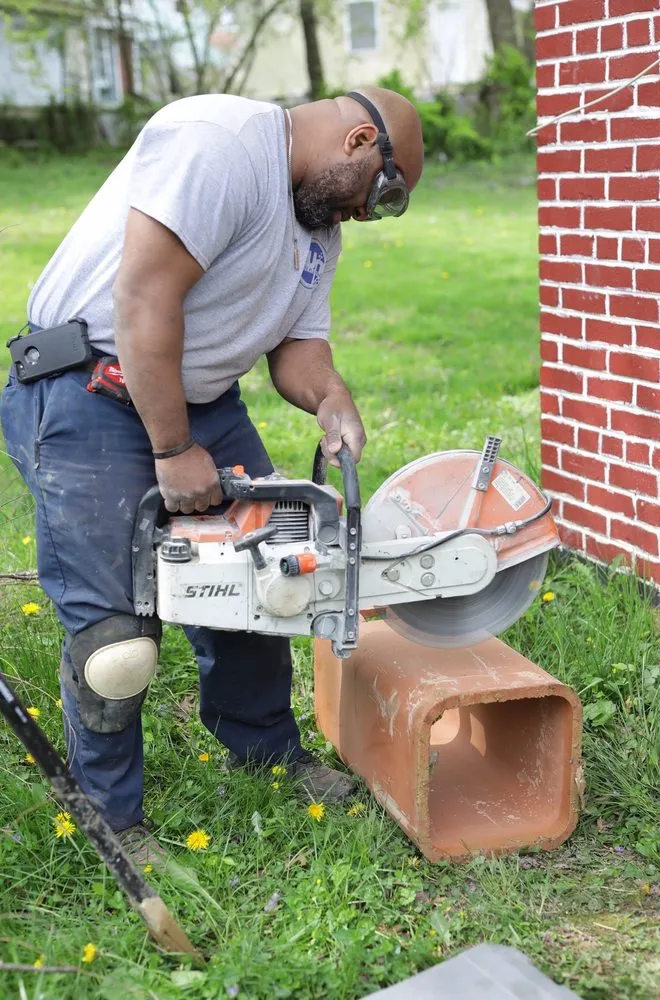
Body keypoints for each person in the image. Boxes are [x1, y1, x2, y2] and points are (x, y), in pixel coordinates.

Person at [1, 87, 424, 863]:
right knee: (116, 645)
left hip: (200, 400)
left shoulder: (318, 229)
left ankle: (265, 750)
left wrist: (330, 396)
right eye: (383, 194)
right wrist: (172, 451)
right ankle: (111, 823)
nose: (370, 215)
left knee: (270, 576)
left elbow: (298, 347)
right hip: (87, 389)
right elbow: (144, 298)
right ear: (361, 140)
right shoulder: (219, 141)